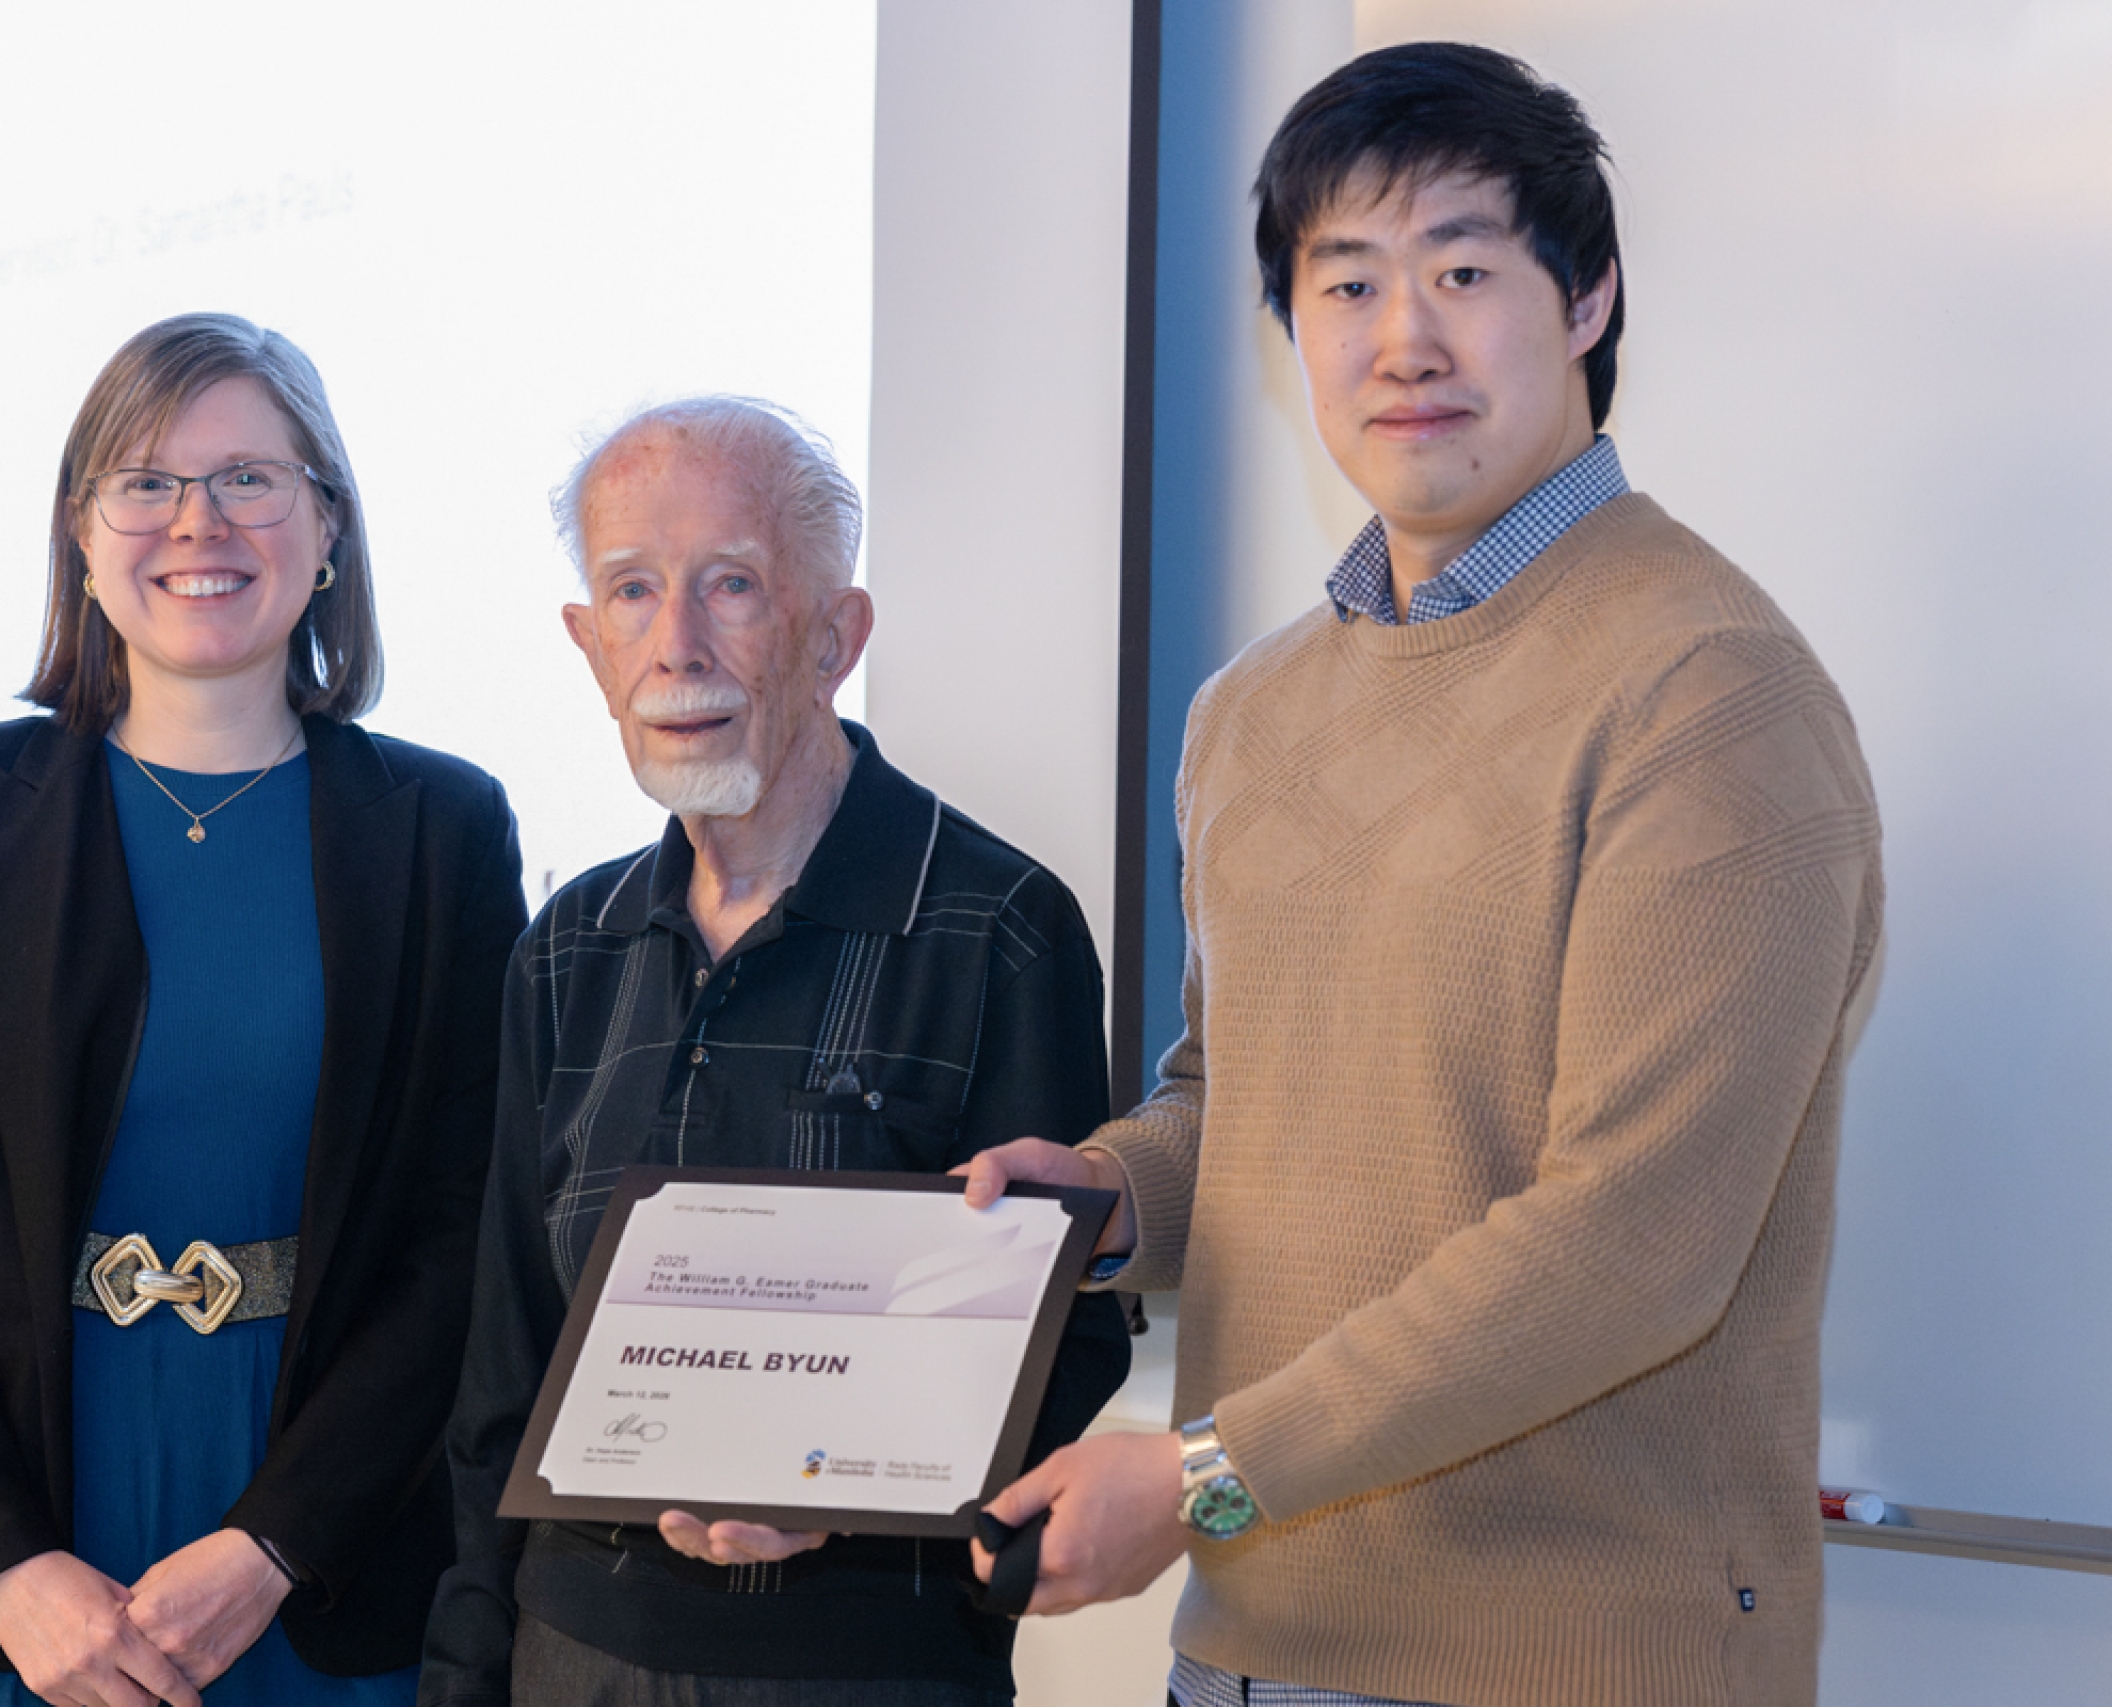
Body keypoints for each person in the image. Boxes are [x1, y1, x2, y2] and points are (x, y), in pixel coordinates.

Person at [957, 43, 1884, 1707]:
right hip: (1249, 1657)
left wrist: (1196, 1478)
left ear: (1589, 297)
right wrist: (1104, 1198)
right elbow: (1235, 1107)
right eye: (1349, 281)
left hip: (1578, 1666)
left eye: (1463, 269)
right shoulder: (1254, 709)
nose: (1406, 338)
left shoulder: (1711, 689)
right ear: (1292, 330)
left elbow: (1633, 1242)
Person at [0, 313, 527, 1706]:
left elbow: (466, 1229)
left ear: (328, 532)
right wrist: (12, 1567)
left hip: (315, 1564)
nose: (199, 520)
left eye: (252, 478)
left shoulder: (441, 828)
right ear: (82, 536)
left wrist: (274, 1545)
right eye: (145, 481)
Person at [419, 398, 1130, 1706]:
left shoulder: (998, 928)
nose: (674, 645)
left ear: (836, 636)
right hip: (569, 1656)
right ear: (589, 646)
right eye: (631, 593)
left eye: (730, 586)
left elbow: (1069, 1335)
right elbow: (501, 1381)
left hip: (868, 1672)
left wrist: (844, 1489)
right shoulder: (565, 950)